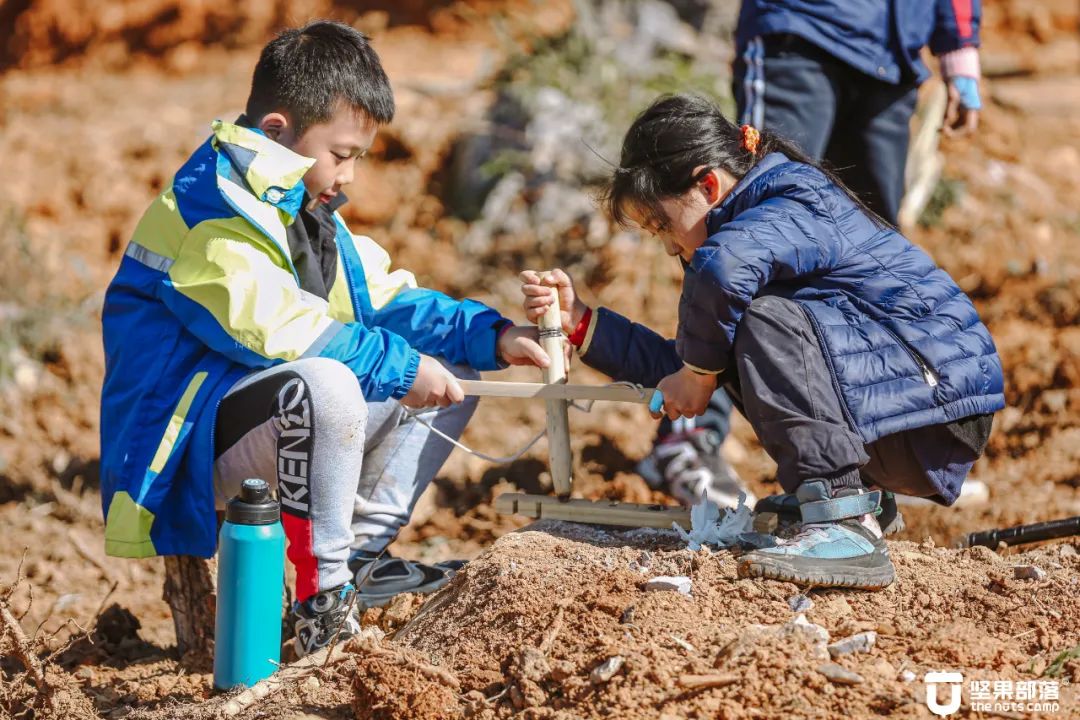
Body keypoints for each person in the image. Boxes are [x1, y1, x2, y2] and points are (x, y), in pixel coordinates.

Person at [99, 20, 550, 656]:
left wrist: (492, 334)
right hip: (189, 440)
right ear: (279, 131)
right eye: (343, 155)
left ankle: (362, 562)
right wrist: (399, 367)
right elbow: (277, 330)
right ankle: (324, 600)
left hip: (267, 418)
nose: (351, 176)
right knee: (331, 382)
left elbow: (386, 298)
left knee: (444, 361)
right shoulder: (211, 211)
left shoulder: (299, 209)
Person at [521, 94, 1003, 590]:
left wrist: (698, 372)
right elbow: (692, 365)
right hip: (904, 412)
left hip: (936, 410)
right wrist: (582, 323)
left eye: (663, 225)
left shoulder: (790, 199)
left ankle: (841, 519)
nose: (668, 245)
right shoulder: (745, 240)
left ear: (708, 184)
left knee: (754, 319)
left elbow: (717, 306)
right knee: (730, 334)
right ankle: (853, 499)